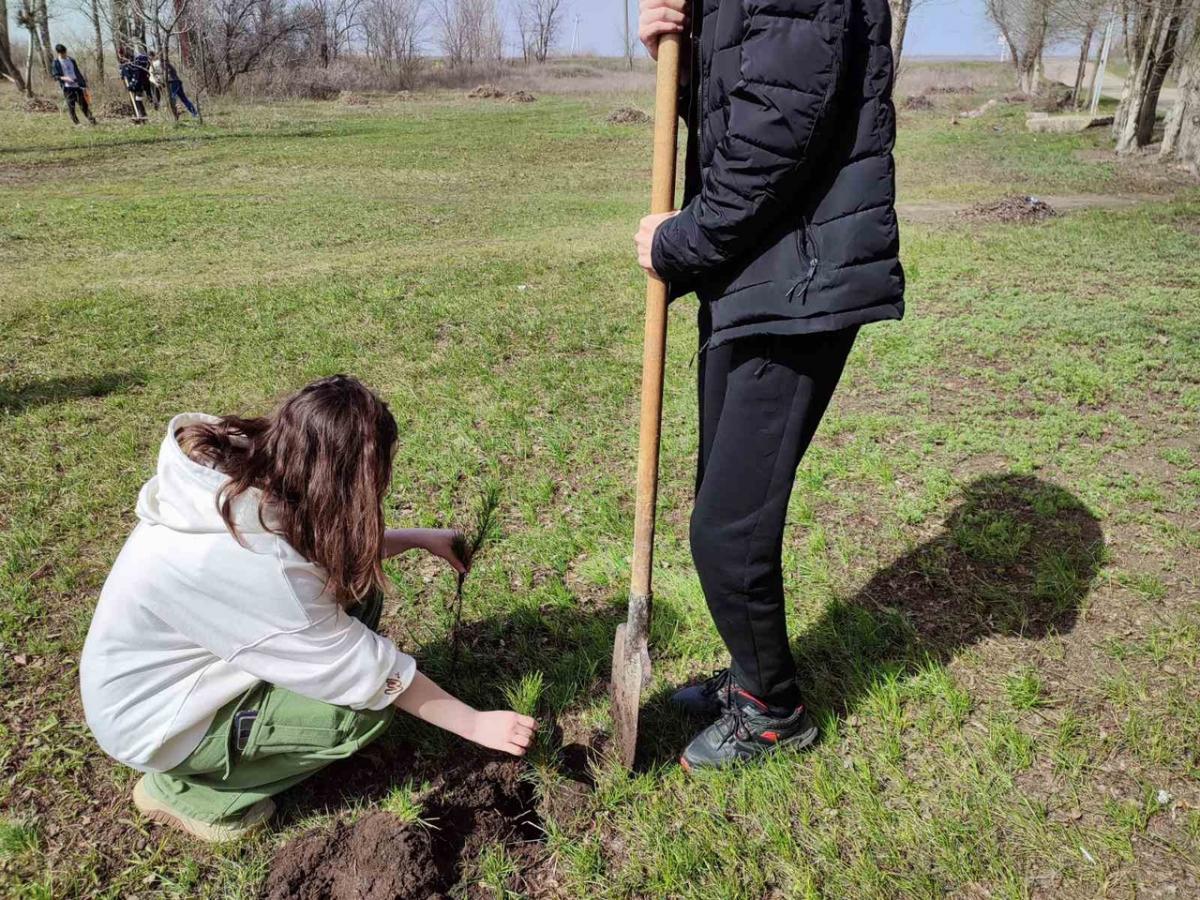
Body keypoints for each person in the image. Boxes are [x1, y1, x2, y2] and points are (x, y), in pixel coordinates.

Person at [80, 376, 537, 841]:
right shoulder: (256, 568)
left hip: (171, 672)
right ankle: (188, 794)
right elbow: (369, 672)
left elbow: (313, 547)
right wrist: (476, 723)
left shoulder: (247, 476)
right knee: (359, 713)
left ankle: (255, 735)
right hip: (159, 721)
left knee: (357, 588)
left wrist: (417, 537)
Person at [634, 0, 905, 770]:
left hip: (799, 280)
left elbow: (777, 128)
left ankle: (772, 711)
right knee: (723, 513)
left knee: (727, 529)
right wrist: (675, 58)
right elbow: (733, 105)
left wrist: (682, 239)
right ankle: (749, 675)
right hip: (757, 271)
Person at [51, 44, 97, 126]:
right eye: (62, 53)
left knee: (83, 104)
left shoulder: (71, 60)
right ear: (58, 53)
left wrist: (83, 83)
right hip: (67, 87)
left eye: (65, 52)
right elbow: (55, 76)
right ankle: (77, 123)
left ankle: (92, 120)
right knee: (71, 106)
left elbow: (77, 72)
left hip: (77, 85)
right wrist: (65, 78)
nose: (64, 54)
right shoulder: (56, 63)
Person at [149, 50, 199, 119]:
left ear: (150, 57)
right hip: (177, 81)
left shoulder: (153, 65)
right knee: (183, 98)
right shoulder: (164, 61)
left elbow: (151, 78)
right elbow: (174, 71)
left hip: (171, 83)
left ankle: (175, 115)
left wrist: (157, 83)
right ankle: (194, 113)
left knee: (172, 99)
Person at [119, 52, 152, 123]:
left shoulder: (136, 67)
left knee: (138, 101)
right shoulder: (130, 66)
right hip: (138, 86)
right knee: (135, 101)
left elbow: (136, 78)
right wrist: (122, 72)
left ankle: (142, 116)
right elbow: (127, 76)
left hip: (139, 87)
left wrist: (131, 86)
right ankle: (139, 115)